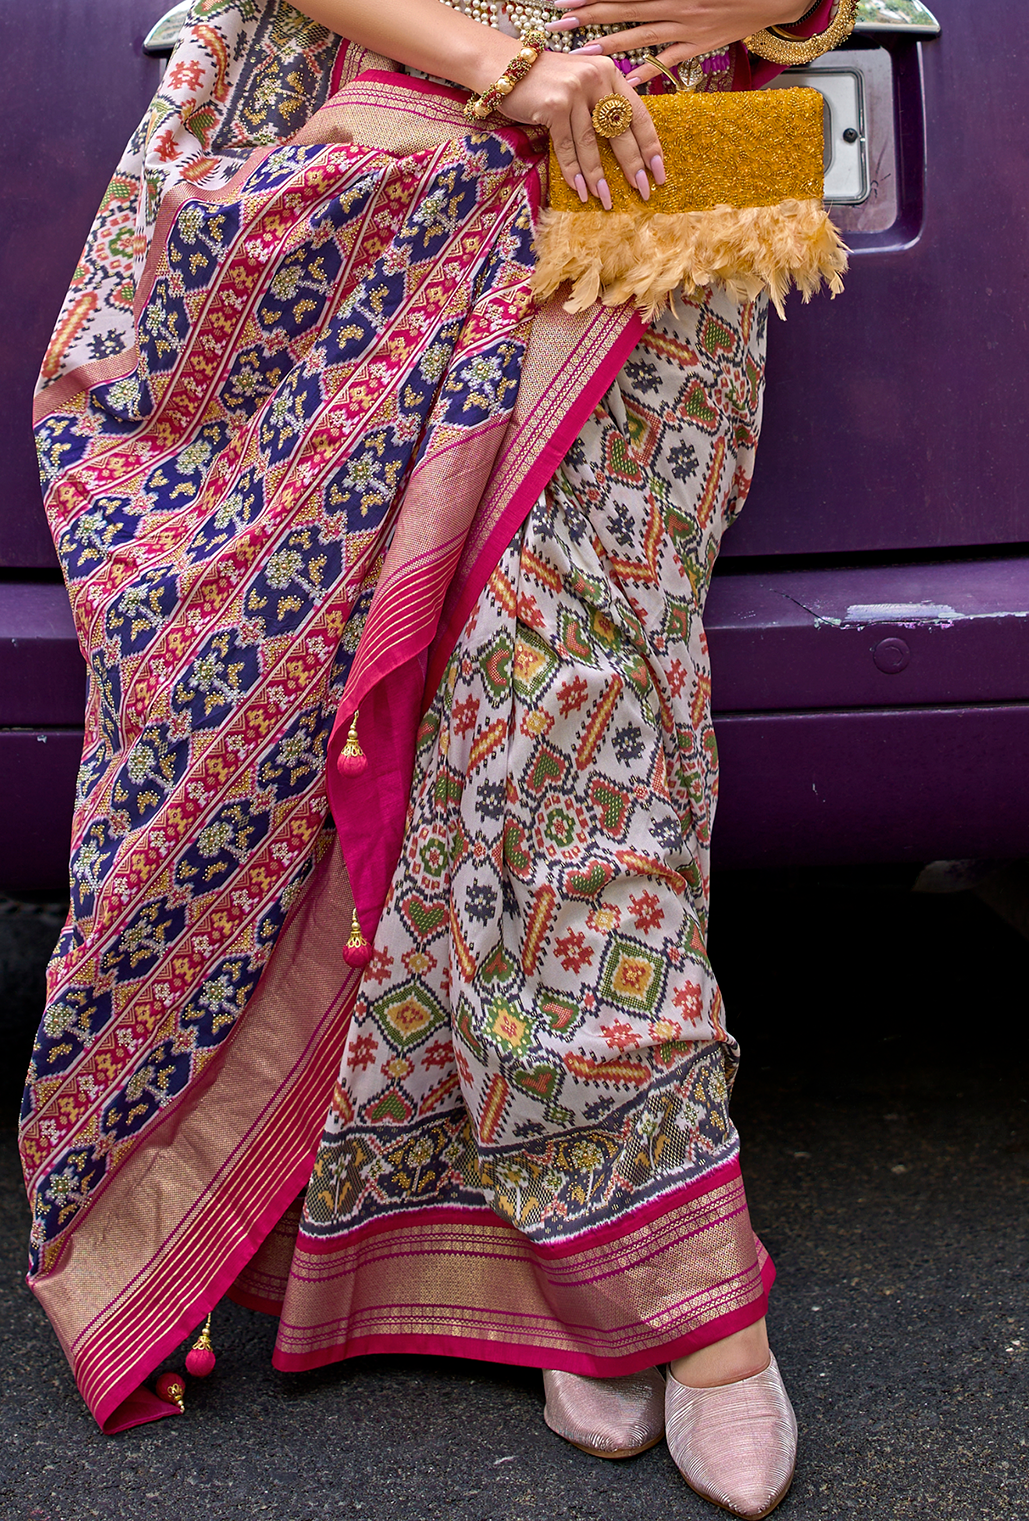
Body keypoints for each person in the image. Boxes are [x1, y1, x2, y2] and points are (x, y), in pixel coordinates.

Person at [20, 0, 848, 1513]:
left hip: (658, 206)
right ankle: (615, 1279)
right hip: (411, 188)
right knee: (474, 717)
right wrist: (513, 72)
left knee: (577, 700)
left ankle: (663, 1282)